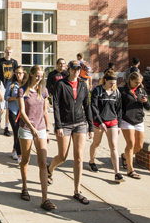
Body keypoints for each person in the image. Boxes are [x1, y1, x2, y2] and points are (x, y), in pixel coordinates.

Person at [48, 60, 93, 204]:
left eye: (78, 69)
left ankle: (77, 190)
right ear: (69, 69)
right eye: (74, 69)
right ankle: (50, 168)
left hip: (80, 123)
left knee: (79, 157)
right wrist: (58, 126)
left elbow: (87, 106)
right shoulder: (61, 84)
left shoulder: (82, 85)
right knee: (62, 157)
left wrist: (91, 126)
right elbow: (55, 105)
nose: (76, 71)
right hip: (65, 124)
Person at [17, 65, 55, 211]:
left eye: (41, 76)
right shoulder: (23, 90)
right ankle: (25, 187)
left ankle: (45, 198)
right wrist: (32, 128)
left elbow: (45, 111)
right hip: (26, 129)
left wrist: (47, 129)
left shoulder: (44, 91)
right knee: (25, 160)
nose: (39, 78)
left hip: (41, 130)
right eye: (37, 75)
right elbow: (22, 111)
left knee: (43, 162)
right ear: (31, 74)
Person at [88, 70, 124, 182]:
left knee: (113, 146)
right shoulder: (97, 91)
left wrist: (119, 124)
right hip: (99, 121)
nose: (113, 85)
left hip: (112, 121)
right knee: (96, 143)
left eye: (114, 83)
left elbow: (119, 109)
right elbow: (93, 107)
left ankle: (117, 173)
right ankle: (92, 161)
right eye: (111, 83)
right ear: (106, 81)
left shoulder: (116, 92)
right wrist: (100, 122)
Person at [119, 71, 150, 179]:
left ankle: (124, 156)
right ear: (130, 80)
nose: (138, 84)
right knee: (131, 144)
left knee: (139, 146)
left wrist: (145, 101)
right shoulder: (122, 91)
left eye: (140, 83)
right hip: (126, 120)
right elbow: (118, 107)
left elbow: (148, 107)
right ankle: (130, 170)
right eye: (136, 82)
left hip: (139, 120)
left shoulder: (141, 91)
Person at [0, 46, 19, 137]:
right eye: (7, 52)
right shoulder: (0, 62)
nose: (8, 53)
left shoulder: (14, 62)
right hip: (2, 84)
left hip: (10, 85)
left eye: (10, 52)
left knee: (8, 108)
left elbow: (17, 73)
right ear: (4, 52)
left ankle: (6, 127)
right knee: (1, 108)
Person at [5, 66, 27, 161]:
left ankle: (14, 149)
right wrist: (16, 97)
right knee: (16, 131)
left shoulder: (27, 84)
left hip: (23, 111)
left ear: (24, 73)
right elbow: (6, 97)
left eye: (20, 73)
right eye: (17, 73)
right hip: (13, 110)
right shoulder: (11, 84)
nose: (18, 75)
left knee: (21, 132)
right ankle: (19, 155)